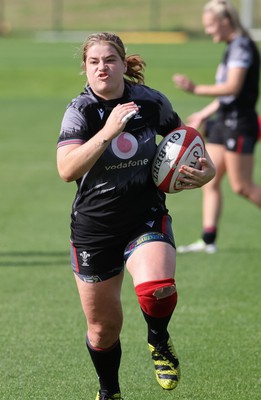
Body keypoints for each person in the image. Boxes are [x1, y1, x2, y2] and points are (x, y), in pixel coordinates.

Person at [56, 32, 215, 400]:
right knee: (102, 331)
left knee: (157, 286)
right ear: (85, 67)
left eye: (109, 59)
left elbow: (186, 143)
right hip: (94, 228)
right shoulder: (80, 111)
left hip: (145, 215)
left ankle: (158, 340)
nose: (102, 67)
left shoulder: (149, 101)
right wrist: (108, 131)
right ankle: (109, 391)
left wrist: (208, 173)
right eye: (94, 61)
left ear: (124, 64)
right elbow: (66, 169)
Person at [173, 0, 261, 254]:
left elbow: (232, 88)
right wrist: (204, 112)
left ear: (225, 21)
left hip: (239, 124)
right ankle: (208, 241)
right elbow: (225, 97)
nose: (209, 31)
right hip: (222, 123)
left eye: (211, 25)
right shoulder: (231, 47)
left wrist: (195, 89)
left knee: (242, 186)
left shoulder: (241, 46)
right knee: (208, 179)